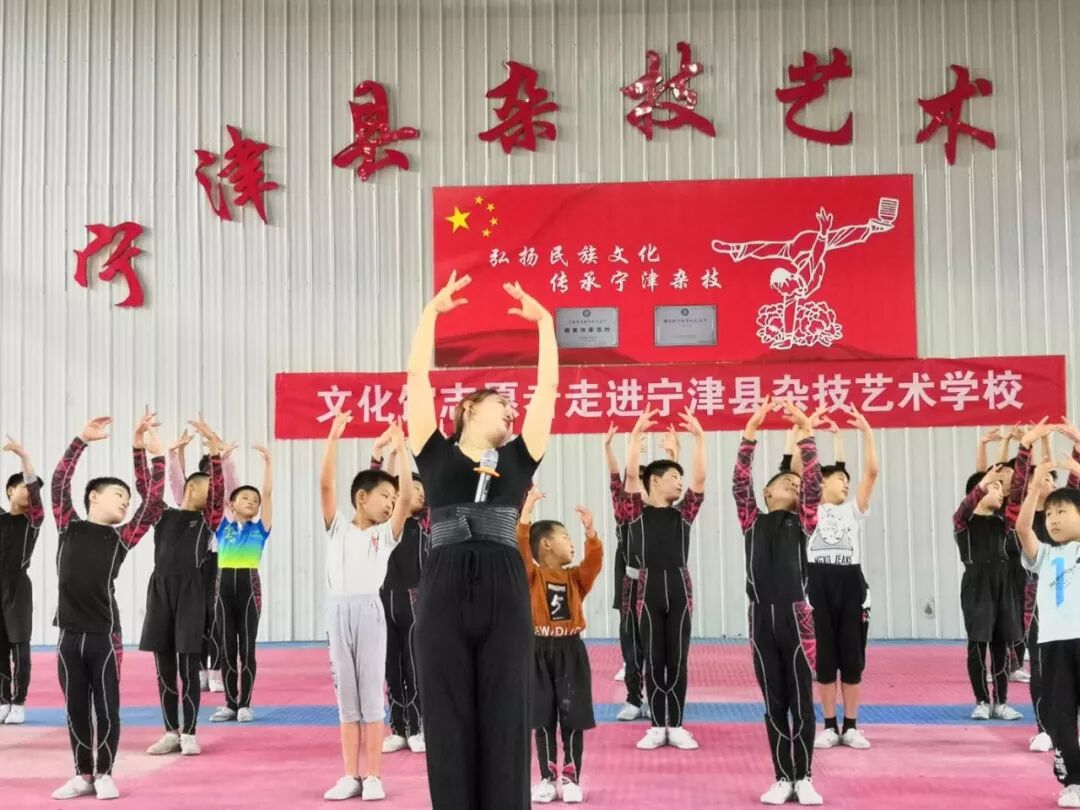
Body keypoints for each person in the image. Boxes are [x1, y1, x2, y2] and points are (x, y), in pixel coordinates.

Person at [406, 273, 557, 810]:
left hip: (505, 584)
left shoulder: (519, 458)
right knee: (446, 718)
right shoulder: (433, 452)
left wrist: (545, 326)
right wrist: (431, 316)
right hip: (443, 584)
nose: (512, 412)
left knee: (507, 715)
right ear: (468, 408)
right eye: (501, 404)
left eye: (513, 409)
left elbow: (547, 393)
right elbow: (417, 381)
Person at [50, 415, 166, 801]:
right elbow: (59, 482)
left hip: (104, 636)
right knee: (75, 709)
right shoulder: (67, 525)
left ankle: (105, 774)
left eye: (127, 499)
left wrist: (155, 457)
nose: (125, 502)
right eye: (118, 494)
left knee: (107, 709)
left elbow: (152, 506)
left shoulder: (121, 538)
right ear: (94, 497)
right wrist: (80, 440)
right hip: (69, 636)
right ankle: (82, 774)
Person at [733, 397, 824, 806]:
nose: (794, 486)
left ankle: (804, 777)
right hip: (760, 619)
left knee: (801, 701)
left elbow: (814, 482)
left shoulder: (803, 521)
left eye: (796, 485)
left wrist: (807, 435)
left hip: (796, 616)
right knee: (774, 702)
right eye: (786, 483)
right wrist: (749, 434)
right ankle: (781, 776)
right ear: (767, 493)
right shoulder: (751, 520)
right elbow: (739, 483)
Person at [321, 415, 414, 802]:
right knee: (347, 701)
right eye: (384, 496)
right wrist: (333, 438)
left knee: (372, 697)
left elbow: (406, 499)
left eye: (393, 499)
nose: (391, 503)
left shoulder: (385, 535)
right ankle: (350, 775)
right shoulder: (338, 528)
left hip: (370, 614)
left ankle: (373, 776)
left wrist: (402, 450)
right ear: (361, 498)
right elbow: (326, 485)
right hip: (338, 614)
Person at [621, 408, 706, 751]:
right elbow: (631, 476)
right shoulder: (634, 513)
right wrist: (634, 439)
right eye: (673, 476)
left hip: (679, 588)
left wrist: (699, 439)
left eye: (680, 478)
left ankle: (678, 724)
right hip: (648, 589)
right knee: (654, 659)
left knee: (678, 660)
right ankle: (657, 725)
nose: (680, 482)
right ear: (655, 481)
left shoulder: (683, 514)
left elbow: (700, 480)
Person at [141, 415, 225, 757]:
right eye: (208, 487)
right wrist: (146, 451)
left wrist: (214, 450)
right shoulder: (161, 513)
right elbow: (145, 488)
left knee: (189, 666)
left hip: (191, 591)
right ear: (191, 487)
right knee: (164, 667)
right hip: (160, 589)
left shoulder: (208, 520)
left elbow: (220, 494)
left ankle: (190, 732)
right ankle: (170, 732)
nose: (214, 494)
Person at [517, 487, 602, 805]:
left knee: (573, 716)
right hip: (537, 651)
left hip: (571, 652)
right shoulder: (531, 577)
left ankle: (571, 777)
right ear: (546, 544)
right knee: (542, 718)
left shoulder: (576, 578)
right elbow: (520, 549)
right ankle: (546, 777)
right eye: (566, 537)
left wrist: (590, 533)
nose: (571, 543)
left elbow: (594, 562)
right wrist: (526, 513)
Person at [809, 407, 878, 751]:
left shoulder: (853, 509)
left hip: (851, 585)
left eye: (847, 480)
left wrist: (865, 432)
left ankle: (851, 726)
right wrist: (807, 430)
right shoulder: (808, 510)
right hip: (817, 585)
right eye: (839, 479)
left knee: (851, 659)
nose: (846, 483)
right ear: (821, 482)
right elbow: (801, 469)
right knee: (824, 660)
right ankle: (828, 725)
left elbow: (871, 472)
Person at [1015, 456, 1080, 808]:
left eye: (1062, 512)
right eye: (1050, 514)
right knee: (1060, 714)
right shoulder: (1044, 554)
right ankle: (1074, 782)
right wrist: (1035, 485)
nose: (1053, 519)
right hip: (1053, 645)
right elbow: (1023, 529)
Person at [369, 426, 429, 755]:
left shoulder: (427, 522)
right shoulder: (384, 524)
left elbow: (409, 490)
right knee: (391, 667)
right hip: (384, 600)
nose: (412, 494)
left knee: (415, 666)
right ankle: (398, 727)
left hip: (416, 601)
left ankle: (417, 727)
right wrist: (380, 454)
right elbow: (381, 488)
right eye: (408, 489)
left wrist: (404, 453)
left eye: (419, 490)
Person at [167, 427, 239, 694]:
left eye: (216, 474)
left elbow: (232, 483)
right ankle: (198, 670)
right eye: (208, 475)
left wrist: (224, 457)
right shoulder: (188, 502)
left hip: (220, 560)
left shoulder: (226, 502)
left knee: (217, 617)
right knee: (194, 618)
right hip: (193, 563)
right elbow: (178, 484)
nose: (214, 481)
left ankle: (217, 670)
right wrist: (175, 455)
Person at [954, 464, 1024, 721]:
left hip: (1003, 584)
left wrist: (1023, 453)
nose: (1000, 493)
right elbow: (965, 506)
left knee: (1000, 645)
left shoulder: (1004, 523)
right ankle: (982, 701)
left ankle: (1001, 702)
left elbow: (1017, 497)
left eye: (1000, 488)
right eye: (995, 488)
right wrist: (986, 481)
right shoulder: (963, 523)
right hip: (977, 586)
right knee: (977, 644)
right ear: (979, 492)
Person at [210, 445, 273, 723]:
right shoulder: (222, 527)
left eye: (254, 500)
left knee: (246, 647)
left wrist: (268, 464)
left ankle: (245, 703)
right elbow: (218, 495)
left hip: (249, 589)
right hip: (223, 588)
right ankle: (230, 703)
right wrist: (221, 461)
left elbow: (267, 494)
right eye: (244, 497)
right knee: (227, 647)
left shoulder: (260, 529)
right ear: (231, 505)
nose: (251, 501)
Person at [0, 435, 44, 726]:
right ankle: (3, 700)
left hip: (18, 588)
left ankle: (19, 702)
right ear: (9, 490)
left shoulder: (33, 521)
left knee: (20, 647)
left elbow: (34, 490)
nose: (30, 494)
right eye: (24, 489)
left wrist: (24, 457)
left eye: (33, 490)